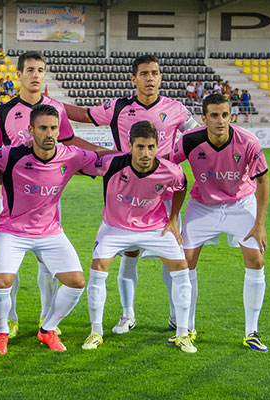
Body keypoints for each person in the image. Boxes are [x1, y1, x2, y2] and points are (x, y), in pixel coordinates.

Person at [61, 54, 200, 335]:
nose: (150, 78)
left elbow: (197, 137)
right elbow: (84, 115)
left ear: (161, 77)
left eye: (155, 73)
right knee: (129, 254)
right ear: (134, 78)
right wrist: (50, 103)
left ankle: (176, 317)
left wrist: (174, 160)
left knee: (172, 256)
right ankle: (127, 315)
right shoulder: (119, 107)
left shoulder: (176, 109)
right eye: (145, 73)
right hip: (125, 192)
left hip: (163, 194)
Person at [0, 51, 107, 339]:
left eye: (40, 70)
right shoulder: (3, 112)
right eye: (30, 70)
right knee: (7, 266)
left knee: (47, 263)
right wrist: (12, 181)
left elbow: (68, 144)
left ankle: (46, 316)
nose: (35, 75)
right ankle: (10, 318)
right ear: (19, 75)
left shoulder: (55, 109)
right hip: (13, 199)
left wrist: (103, 153)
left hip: (49, 200)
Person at [0, 104, 95, 355]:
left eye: (54, 128)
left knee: (76, 282)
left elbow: (103, 160)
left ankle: (48, 329)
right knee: (2, 281)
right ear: (30, 130)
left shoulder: (71, 156)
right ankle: (1, 332)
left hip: (50, 231)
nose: (49, 133)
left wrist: (133, 153)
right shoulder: (11, 155)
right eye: (43, 128)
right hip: (12, 230)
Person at [80, 120, 194, 353]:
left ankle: (183, 333)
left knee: (182, 269)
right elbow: (80, 163)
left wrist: (173, 219)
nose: (146, 153)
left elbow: (182, 186)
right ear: (130, 146)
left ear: (157, 145)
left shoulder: (170, 169)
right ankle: (96, 331)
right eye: (140, 147)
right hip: (115, 227)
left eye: (151, 147)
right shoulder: (111, 164)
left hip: (155, 228)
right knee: (99, 267)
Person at [171, 93, 269, 352]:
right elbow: (167, 166)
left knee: (256, 261)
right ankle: (187, 328)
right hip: (202, 206)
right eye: (214, 115)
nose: (220, 120)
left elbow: (262, 181)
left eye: (225, 114)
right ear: (204, 118)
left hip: (241, 204)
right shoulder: (189, 141)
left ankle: (252, 331)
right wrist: (168, 216)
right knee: (185, 262)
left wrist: (259, 224)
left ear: (230, 115)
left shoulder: (248, 141)